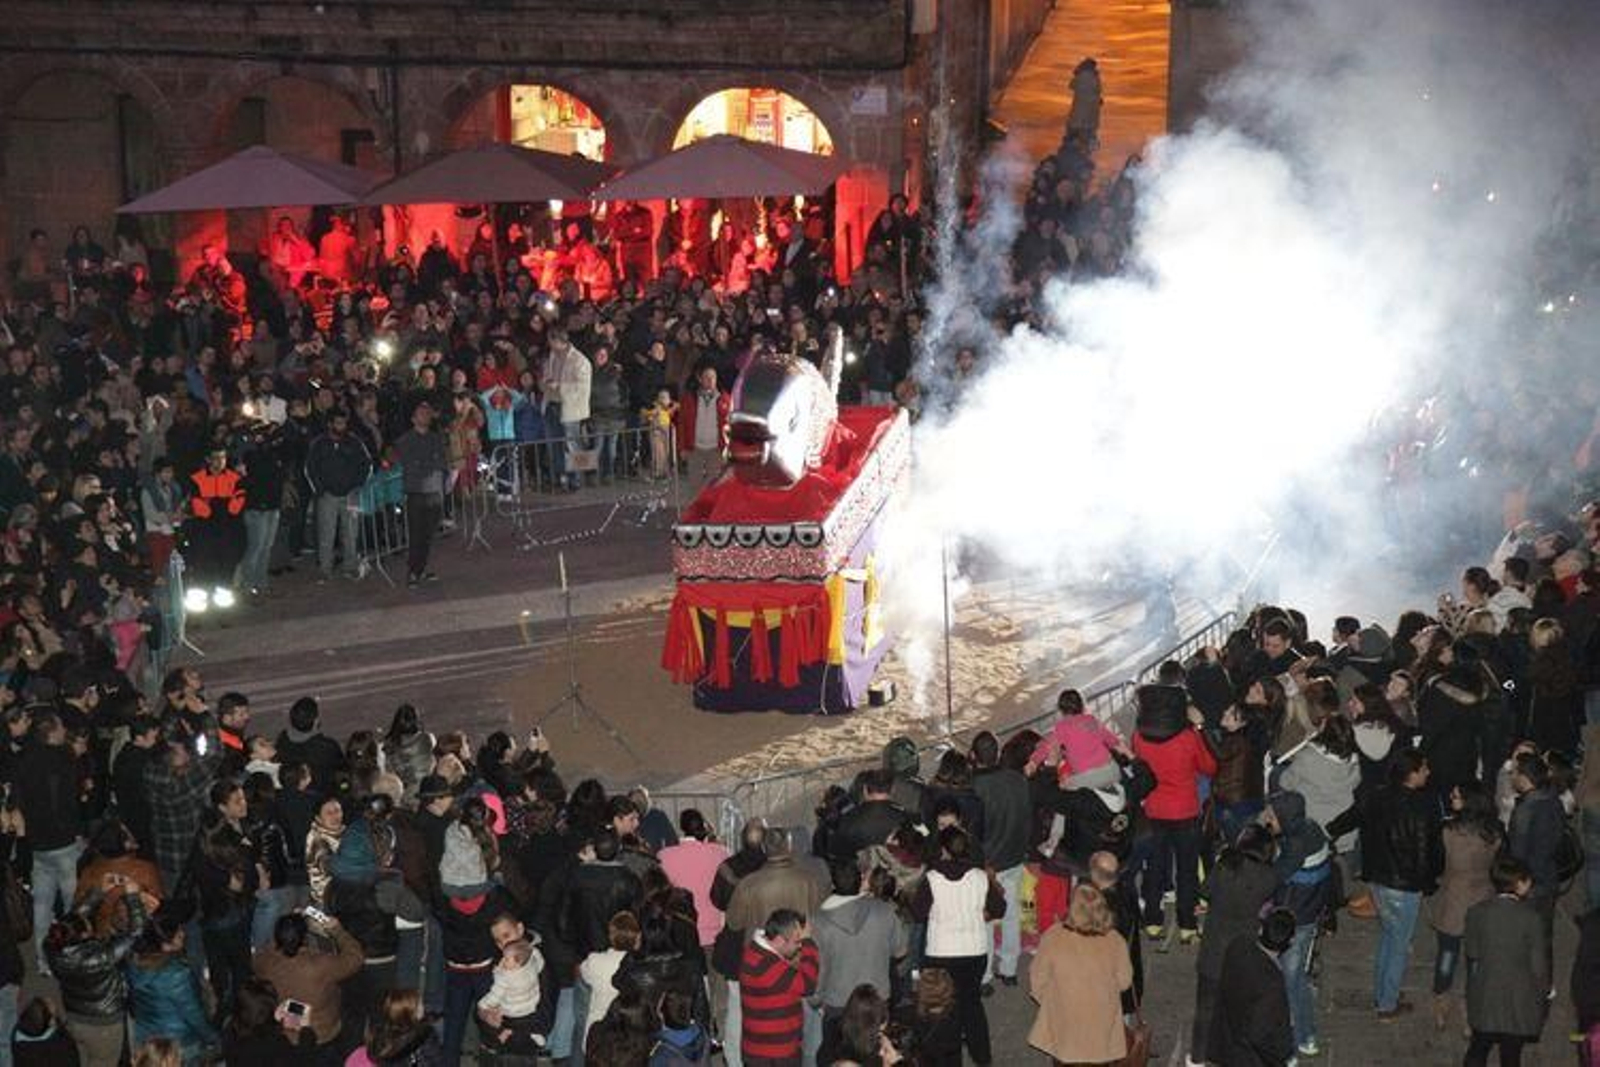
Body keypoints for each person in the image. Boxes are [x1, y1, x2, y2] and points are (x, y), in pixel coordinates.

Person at [1330, 747, 1444, 1019]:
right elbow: (1430, 851)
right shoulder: (1425, 805)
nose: (1428, 772)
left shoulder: (1376, 796)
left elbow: (1349, 819)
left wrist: (1328, 832)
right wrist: (1429, 882)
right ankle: (1387, 1003)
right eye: (1424, 768)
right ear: (1412, 774)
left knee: (1388, 938)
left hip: (1379, 880)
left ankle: (1384, 991)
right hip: (1405, 886)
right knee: (1398, 945)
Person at [911, 827, 1004, 1066]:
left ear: (943, 850)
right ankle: (983, 1057)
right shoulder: (980, 877)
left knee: (942, 1009)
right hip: (974, 951)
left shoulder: (932, 878)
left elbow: (918, 912)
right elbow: (999, 908)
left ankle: (950, 1057)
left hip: (941, 953)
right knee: (971, 1003)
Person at [1131, 684, 1217, 941]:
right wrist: (1200, 729)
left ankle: (1153, 921)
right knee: (1187, 870)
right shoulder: (1188, 738)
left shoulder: (1138, 736)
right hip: (1185, 811)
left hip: (1154, 810)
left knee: (1155, 868)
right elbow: (1209, 766)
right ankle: (1187, 924)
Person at [1191, 824, 1279, 1062]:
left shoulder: (1225, 867)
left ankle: (1197, 1058)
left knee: (1205, 1011)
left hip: (1214, 950)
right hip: (1243, 955)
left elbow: (1206, 890)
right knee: (1237, 1013)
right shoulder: (1269, 877)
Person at [1027, 883, 1133, 1065]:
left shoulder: (1054, 936)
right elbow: (1124, 981)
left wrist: (1051, 1001)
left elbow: (1037, 978)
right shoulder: (1115, 939)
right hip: (1102, 1024)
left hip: (1064, 1022)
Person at [1428, 781, 1503, 1032]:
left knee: (1447, 956)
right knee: (1475, 960)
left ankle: (1441, 1001)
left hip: (1453, 899)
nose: (1452, 798)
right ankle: (1470, 1007)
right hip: (1483, 899)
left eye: (1457, 796)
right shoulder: (1495, 833)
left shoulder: (1448, 831)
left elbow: (1437, 864)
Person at [1462, 857, 1548, 1067]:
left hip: (1485, 993)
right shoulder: (1532, 918)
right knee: (1511, 1055)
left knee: (1478, 1047)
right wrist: (1545, 993)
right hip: (1518, 999)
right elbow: (1538, 966)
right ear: (1519, 883)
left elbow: (1472, 952)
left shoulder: (1476, 912)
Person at [811, 859, 907, 1039]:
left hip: (838, 1002)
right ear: (862, 880)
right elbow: (901, 951)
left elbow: (819, 967)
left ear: (832, 884)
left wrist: (815, 1000)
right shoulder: (884, 911)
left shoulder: (818, 922)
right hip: (877, 997)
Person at [252, 911, 364, 1051]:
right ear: (305, 938)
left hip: (284, 1031)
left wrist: (285, 933)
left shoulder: (266, 962)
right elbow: (355, 958)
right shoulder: (320, 964)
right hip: (322, 1033)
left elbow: (259, 956)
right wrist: (337, 931)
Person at [969, 730, 1030, 987]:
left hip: (988, 863)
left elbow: (974, 829)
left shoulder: (974, 787)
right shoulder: (1018, 779)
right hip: (1014, 856)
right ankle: (1009, 968)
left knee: (984, 918)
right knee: (1011, 913)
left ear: (973, 756)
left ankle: (984, 976)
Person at [126, 910, 218, 1065]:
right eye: (179, 932)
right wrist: (212, 1038)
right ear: (167, 942)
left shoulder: (134, 962)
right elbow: (192, 1013)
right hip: (178, 1042)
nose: (183, 933)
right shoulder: (176, 973)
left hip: (147, 1038)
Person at [1208, 908, 1297, 1067]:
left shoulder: (1238, 945)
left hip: (1225, 1041)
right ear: (1290, 942)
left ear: (1261, 929)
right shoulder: (1272, 984)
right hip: (1248, 1058)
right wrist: (1279, 1059)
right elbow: (1259, 1035)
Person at [738, 908, 819, 1066]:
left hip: (759, 1048)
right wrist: (809, 942)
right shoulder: (767, 966)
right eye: (797, 941)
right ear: (780, 940)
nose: (799, 947)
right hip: (774, 1053)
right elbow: (808, 984)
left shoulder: (756, 950)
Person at [305, 408, 374, 583]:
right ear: (330, 424)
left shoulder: (354, 442)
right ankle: (324, 569)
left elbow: (366, 465)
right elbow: (310, 468)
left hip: (351, 494)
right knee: (326, 533)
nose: (342, 426)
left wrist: (358, 486)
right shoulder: (319, 444)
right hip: (328, 496)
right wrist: (320, 490)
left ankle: (350, 567)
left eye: (344, 423)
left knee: (351, 532)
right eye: (338, 423)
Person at [393, 400, 448, 587]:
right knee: (416, 534)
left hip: (433, 490)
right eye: (421, 413)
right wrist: (430, 465)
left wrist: (432, 468)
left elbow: (441, 461)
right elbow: (411, 464)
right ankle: (413, 571)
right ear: (413, 418)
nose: (426, 416)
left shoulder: (436, 438)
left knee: (429, 534)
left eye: (428, 413)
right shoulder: (405, 440)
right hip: (416, 491)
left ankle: (420, 569)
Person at [676, 364, 729, 488]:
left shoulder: (725, 399)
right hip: (695, 449)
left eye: (713, 377)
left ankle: (712, 508)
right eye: (707, 377)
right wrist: (682, 447)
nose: (710, 380)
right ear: (700, 379)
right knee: (695, 485)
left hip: (716, 449)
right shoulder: (689, 399)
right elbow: (682, 424)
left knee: (715, 486)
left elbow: (730, 426)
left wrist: (728, 448)